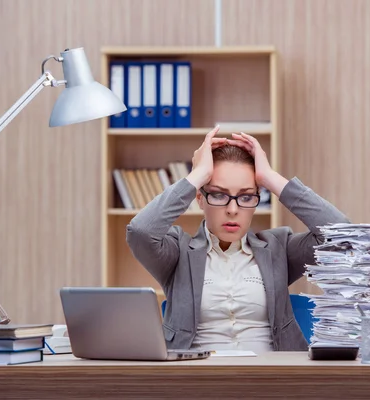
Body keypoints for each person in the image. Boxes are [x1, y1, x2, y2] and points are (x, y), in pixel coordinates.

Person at [126, 126, 349, 352]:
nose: (233, 209)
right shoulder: (178, 253)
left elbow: (341, 235)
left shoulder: (278, 249)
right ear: (200, 199)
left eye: (245, 196)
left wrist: (270, 178)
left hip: (271, 378)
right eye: (219, 195)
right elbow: (141, 232)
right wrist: (196, 176)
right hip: (198, 379)